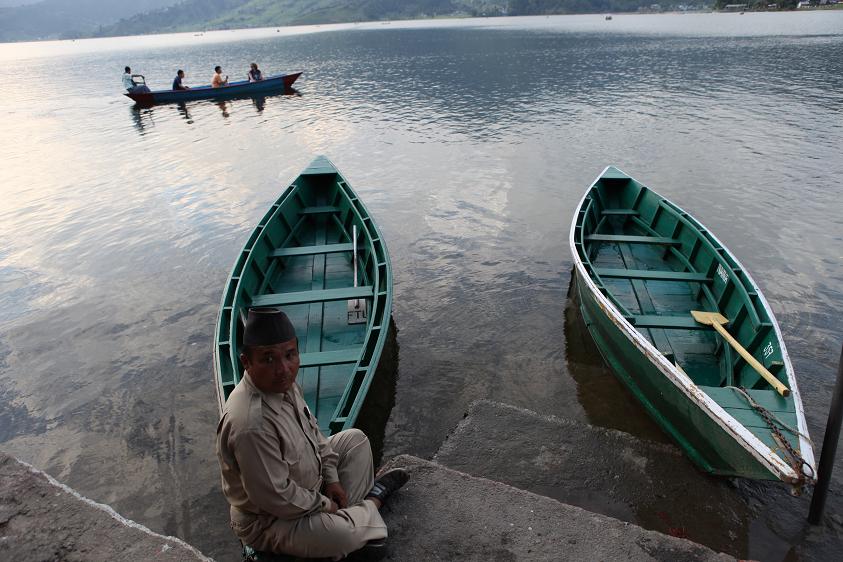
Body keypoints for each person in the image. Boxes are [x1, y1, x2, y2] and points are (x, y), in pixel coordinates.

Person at [216, 308, 409, 559]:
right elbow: (276, 497)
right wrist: (326, 505)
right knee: (344, 536)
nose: (283, 368)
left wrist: (332, 479)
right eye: (268, 359)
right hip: (270, 519)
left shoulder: (284, 385)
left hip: (310, 487)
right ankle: (371, 505)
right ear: (247, 362)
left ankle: (351, 524)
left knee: (355, 440)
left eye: (290, 355)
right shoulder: (251, 424)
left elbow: (316, 434)